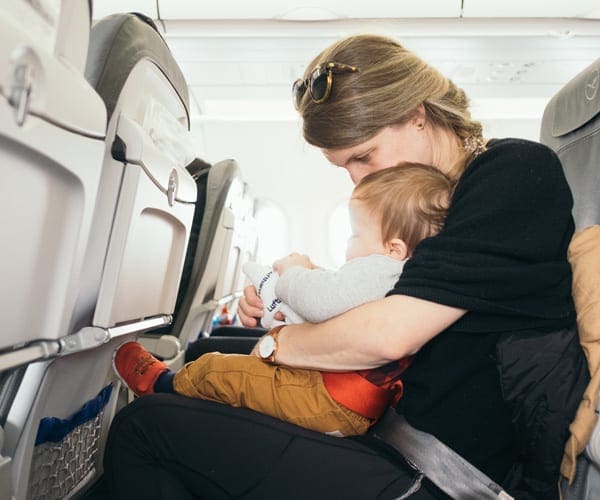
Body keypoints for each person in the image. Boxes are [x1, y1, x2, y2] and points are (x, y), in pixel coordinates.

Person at [103, 34, 589, 499]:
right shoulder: (429, 199)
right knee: (205, 365)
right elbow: (382, 291)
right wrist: (288, 294)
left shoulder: (512, 174)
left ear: (417, 115)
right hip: (386, 433)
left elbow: (388, 335)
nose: (357, 179)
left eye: (364, 156)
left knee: (144, 429)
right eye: (345, 167)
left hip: (442, 475)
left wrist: (279, 344)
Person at [112, 163, 453, 437]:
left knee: (219, 369)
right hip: (344, 400)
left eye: (355, 234)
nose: (350, 244)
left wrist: (294, 272)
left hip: (327, 398)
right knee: (243, 375)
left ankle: (162, 386)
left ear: (394, 247)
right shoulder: (399, 273)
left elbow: (321, 301)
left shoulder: (380, 269)